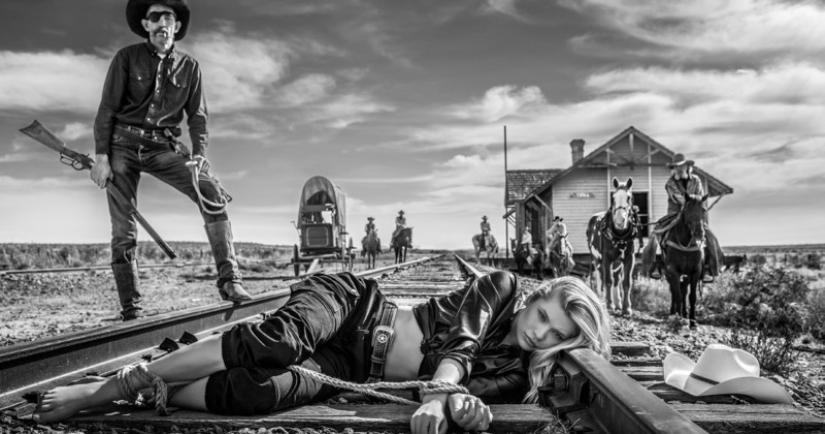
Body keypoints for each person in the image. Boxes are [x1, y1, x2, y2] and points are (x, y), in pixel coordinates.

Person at [31, 271, 611, 434]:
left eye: (558, 334)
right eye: (543, 316)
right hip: (357, 309)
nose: (541, 334)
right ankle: (117, 386)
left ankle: (159, 387)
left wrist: (465, 410)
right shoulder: (502, 287)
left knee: (258, 391)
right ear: (535, 297)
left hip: (349, 369)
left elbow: (473, 393)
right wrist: (443, 390)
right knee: (277, 342)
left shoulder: (518, 376)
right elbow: (459, 346)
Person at [90, 0, 251, 321]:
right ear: (146, 25)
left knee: (212, 193)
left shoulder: (190, 67)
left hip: (163, 147)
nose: (162, 23)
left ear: (177, 27)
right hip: (122, 145)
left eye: (169, 17)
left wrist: (200, 156)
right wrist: (101, 157)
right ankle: (131, 308)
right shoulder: (126, 58)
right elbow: (107, 108)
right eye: (155, 17)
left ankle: (230, 280)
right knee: (124, 228)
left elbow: (198, 118)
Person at [644, 154, 721, 282]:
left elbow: (700, 198)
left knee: (711, 238)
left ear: (687, 167)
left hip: (695, 215)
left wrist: (695, 207)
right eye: (676, 167)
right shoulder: (670, 183)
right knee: (656, 235)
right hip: (675, 214)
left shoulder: (696, 180)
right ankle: (657, 266)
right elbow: (678, 198)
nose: (679, 169)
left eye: (681, 166)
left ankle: (709, 268)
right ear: (673, 169)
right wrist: (691, 203)